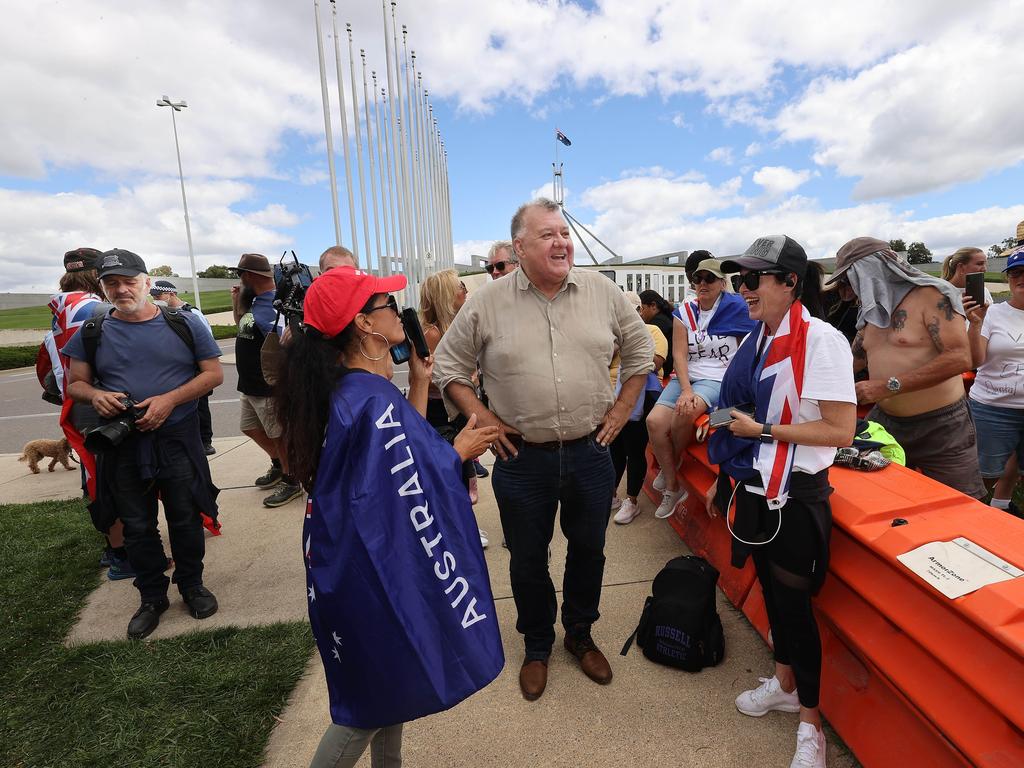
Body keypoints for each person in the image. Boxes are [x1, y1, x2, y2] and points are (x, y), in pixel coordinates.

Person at [275, 266, 504, 768]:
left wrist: (419, 383)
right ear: (364, 324)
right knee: (365, 709)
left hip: (357, 563)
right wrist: (456, 451)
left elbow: (399, 461)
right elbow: (394, 490)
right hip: (370, 572)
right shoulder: (369, 398)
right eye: (386, 304)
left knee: (393, 685)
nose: (400, 313)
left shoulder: (356, 390)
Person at [433, 197, 654, 701]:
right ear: (520, 246)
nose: (562, 242)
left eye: (563, 233)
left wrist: (622, 409)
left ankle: (579, 634)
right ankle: (536, 644)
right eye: (548, 235)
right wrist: (485, 419)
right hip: (521, 459)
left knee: (590, 551)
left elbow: (642, 351)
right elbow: (448, 367)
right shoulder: (486, 302)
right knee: (528, 559)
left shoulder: (602, 291)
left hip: (591, 453)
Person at [710, 235, 856, 768]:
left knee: (795, 611)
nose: (742, 290)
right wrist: (722, 448)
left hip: (794, 494)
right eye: (738, 280)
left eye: (753, 279)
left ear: (790, 282)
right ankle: (787, 684)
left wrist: (762, 429)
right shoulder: (758, 339)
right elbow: (734, 409)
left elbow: (842, 429)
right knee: (772, 596)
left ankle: (811, 725)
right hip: (753, 485)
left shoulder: (821, 340)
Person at [65, 249, 224, 640]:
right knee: (136, 525)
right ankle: (152, 597)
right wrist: (95, 395)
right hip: (123, 442)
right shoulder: (92, 330)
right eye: (111, 282)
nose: (121, 289)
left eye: (129, 281)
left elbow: (214, 374)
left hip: (175, 437)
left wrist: (170, 399)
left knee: (185, 517)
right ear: (102, 287)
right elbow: (76, 384)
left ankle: (191, 585)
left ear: (147, 282)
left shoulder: (183, 323)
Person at [826, 237, 984, 498]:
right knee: (880, 497)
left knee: (960, 503)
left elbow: (960, 358)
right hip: (885, 424)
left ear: (870, 271)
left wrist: (886, 386)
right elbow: (854, 361)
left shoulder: (933, 296)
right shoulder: (871, 310)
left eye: (850, 278)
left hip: (942, 427)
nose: (848, 288)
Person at [647, 258, 755, 519]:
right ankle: (673, 485)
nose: (703, 283)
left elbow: (749, 351)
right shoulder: (684, 312)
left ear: (722, 282)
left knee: (684, 413)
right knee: (653, 422)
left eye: (709, 278)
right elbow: (680, 355)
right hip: (686, 377)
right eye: (698, 279)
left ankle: (670, 463)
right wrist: (685, 389)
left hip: (717, 378)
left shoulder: (737, 309)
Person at [48, 248, 131, 577]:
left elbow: (50, 374)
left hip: (78, 404)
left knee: (95, 477)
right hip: (107, 402)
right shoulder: (100, 309)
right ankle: (123, 553)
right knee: (121, 478)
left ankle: (112, 548)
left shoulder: (59, 311)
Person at [419, 270, 489, 544]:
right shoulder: (432, 333)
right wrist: (467, 379)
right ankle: (458, 531)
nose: (465, 289)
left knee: (461, 472)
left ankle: (462, 526)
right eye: (459, 286)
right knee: (450, 473)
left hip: (456, 411)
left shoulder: (454, 326)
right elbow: (430, 380)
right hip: (439, 416)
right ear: (446, 296)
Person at [231, 253, 301, 507]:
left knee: (279, 435)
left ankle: (292, 480)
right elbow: (245, 327)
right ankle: (278, 465)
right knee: (249, 427)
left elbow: (285, 341)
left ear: (249, 276)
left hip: (267, 386)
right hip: (249, 384)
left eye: (240, 274)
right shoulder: (253, 302)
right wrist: (237, 302)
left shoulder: (276, 304)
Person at [966, 246, 1024, 518]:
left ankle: (1001, 506)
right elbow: (974, 362)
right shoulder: (994, 314)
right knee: (984, 471)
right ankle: (968, 517)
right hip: (993, 407)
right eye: (1016, 273)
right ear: (1008, 280)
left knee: (1018, 464)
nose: (1022, 278)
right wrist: (975, 324)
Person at [609, 291, 667, 525]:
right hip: (610, 401)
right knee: (612, 449)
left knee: (634, 450)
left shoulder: (652, 331)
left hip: (638, 400)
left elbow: (656, 362)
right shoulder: (612, 336)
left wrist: (630, 343)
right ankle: (611, 494)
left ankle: (631, 500)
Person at [150, 279, 217, 455]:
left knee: (200, 406)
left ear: (171, 293)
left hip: (194, 367)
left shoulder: (192, 313)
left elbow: (206, 343)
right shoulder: (161, 313)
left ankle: (205, 441)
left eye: (159, 295)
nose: (156, 299)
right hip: (175, 367)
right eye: (154, 296)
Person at [638, 289, 675, 377]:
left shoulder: (657, 324)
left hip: (663, 369)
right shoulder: (666, 318)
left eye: (642, 308)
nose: (640, 314)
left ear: (653, 305)